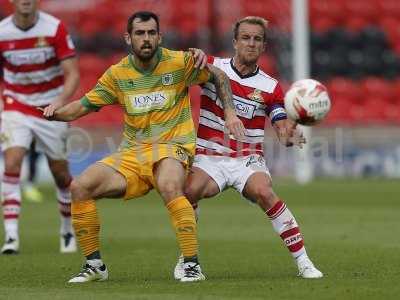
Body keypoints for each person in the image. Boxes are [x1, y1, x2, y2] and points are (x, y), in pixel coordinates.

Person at [41, 11, 245, 283]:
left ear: (160, 37)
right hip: (132, 154)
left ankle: (191, 264)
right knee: (80, 187)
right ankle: (94, 266)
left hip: (173, 147)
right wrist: (56, 112)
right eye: (140, 33)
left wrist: (230, 114)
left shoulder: (180, 62)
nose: (146, 39)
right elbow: (83, 106)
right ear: (128, 38)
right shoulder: (117, 74)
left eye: (151, 33)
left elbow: (219, 77)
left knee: (171, 185)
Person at [174, 16, 323, 279]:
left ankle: (304, 262)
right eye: (245, 37)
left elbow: (279, 122)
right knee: (190, 191)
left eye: (257, 39)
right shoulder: (213, 68)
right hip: (210, 156)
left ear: (264, 46)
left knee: (264, 191)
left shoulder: (271, 86)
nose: (251, 43)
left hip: (247, 159)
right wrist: (192, 55)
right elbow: (181, 71)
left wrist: (287, 134)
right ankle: (187, 260)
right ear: (235, 42)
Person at [0, 0, 79, 254]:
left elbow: (73, 74)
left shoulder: (54, 28)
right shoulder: (2, 32)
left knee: (61, 174)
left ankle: (67, 229)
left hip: (50, 107)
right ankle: (11, 237)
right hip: (16, 103)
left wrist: (59, 103)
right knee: (12, 163)